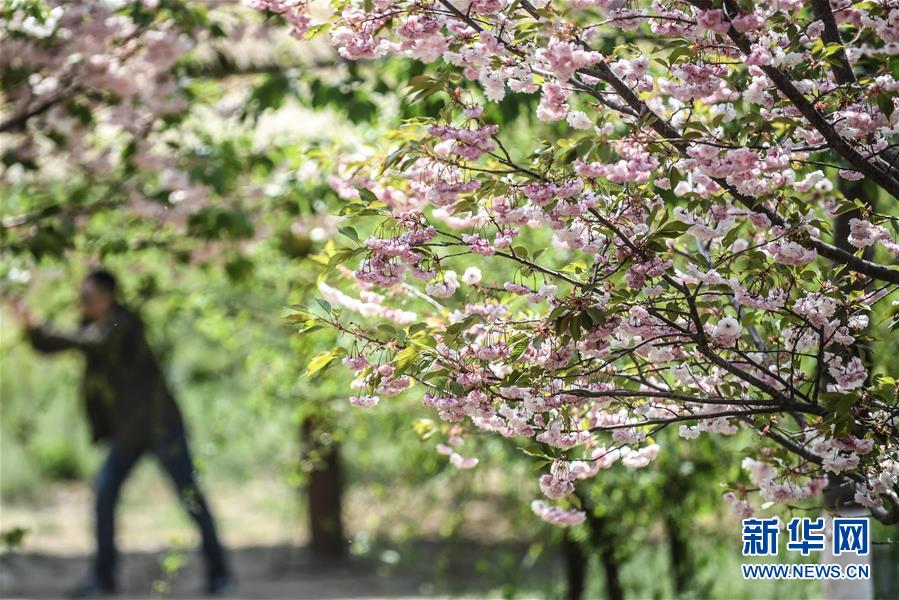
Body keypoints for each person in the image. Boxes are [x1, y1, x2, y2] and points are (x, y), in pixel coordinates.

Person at [10, 269, 231, 598]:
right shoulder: (94, 326)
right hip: (128, 434)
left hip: (160, 428)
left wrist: (42, 327)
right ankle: (103, 580)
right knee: (104, 497)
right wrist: (29, 323)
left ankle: (220, 576)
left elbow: (90, 342)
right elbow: (55, 343)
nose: (81, 303)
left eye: (87, 297)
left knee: (190, 498)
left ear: (106, 296)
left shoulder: (123, 324)